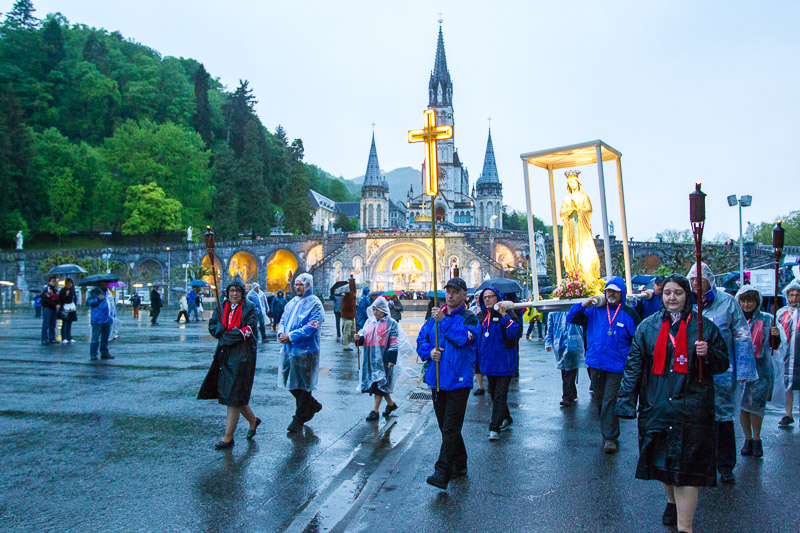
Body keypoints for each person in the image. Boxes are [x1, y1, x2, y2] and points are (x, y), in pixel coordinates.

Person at [616, 274, 729, 533]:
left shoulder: (703, 327)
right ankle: (671, 501)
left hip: (692, 408)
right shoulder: (648, 327)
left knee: (687, 468)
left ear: (687, 295)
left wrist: (708, 353)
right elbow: (634, 366)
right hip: (657, 405)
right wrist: (626, 402)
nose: (672, 297)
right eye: (667, 292)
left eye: (678, 292)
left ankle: (685, 527)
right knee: (663, 460)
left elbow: (723, 363)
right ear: (661, 295)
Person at [687, 262, 756, 484]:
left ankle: (725, 465)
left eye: (700, 279)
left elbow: (742, 335)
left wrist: (744, 369)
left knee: (722, 420)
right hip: (691, 371)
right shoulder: (686, 302)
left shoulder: (727, 303)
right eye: (692, 279)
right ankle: (701, 464)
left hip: (721, 371)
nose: (696, 283)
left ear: (710, 280)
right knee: (695, 419)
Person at [416, 277, 479, 490]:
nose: (450, 295)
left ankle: (442, 471)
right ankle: (460, 463)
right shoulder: (433, 317)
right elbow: (421, 341)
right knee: (446, 426)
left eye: (455, 292)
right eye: (448, 291)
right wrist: (429, 352)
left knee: (451, 427)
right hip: (437, 380)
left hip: (459, 380)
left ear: (464, 295)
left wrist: (443, 320)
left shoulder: (470, 318)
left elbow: (463, 339)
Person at [567, 276, 641, 454]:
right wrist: (585, 303)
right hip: (596, 363)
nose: (611, 294)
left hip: (617, 366)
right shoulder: (595, 310)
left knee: (609, 400)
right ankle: (609, 429)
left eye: (615, 292)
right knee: (600, 399)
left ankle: (610, 437)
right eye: (609, 291)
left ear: (622, 294)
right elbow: (571, 318)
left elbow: (639, 339)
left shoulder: (629, 314)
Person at [198, 276, 261, 449]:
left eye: (238, 291)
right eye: (232, 290)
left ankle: (228, 437)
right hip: (224, 354)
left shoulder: (250, 307)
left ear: (242, 293)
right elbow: (213, 325)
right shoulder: (221, 307)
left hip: (242, 356)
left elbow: (248, 330)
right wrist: (220, 331)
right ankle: (253, 421)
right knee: (234, 393)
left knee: (233, 396)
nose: (234, 294)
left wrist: (226, 336)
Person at [736, 286, 780, 457]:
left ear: (757, 302)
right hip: (740, 369)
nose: (746, 305)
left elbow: (774, 346)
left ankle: (756, 438)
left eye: (750, 301)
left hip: (761, 369)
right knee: (742, 406)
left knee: (756, 406)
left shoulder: (767, 319)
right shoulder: (736, 318)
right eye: (743, 301)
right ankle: (747, 439)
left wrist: (775, 335)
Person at [278, 274, 325, 433]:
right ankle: (312, 404)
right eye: (296, 284)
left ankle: (299, 418)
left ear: (308, 285)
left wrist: (291, 336)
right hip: (289, 349)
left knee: (304, 384)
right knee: (291, 382)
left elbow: (312, 327)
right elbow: (283, 320)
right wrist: (281, 334)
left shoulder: (315, 304)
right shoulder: (292, 303)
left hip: (306, 351)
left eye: (301, 285)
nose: (298, 287)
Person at [476, 287, 522, 440]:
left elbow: (515, 333)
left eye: (490, 296)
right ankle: (507, 418)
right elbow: (478, 339)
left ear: (497, 298)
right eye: (485, 297)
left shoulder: (508, 313)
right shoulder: (481, 316)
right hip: (489, 364)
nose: (487, 299)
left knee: (500, 395)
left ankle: (494, 427)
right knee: (495, 395)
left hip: (504, 364)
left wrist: (504, 316)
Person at [355, 297, 402, 420]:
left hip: (384, 358)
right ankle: (391, 404)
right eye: (374, 309)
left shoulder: (391, 323)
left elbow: (394, 342)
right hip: (370, 358)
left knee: (380, 382)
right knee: (378, 383)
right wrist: (358, 339)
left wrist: (392, 359)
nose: (375, 312)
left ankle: (375, 410)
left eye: (377, 310)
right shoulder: (370, 322)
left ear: (384, 310)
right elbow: (365, 338)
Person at [559, 170, 601, 284]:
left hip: (581, 227)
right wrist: (570, 210)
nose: (572, 185)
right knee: (572, 250)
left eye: (573, 182)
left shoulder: (584, 197)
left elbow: (589, 210)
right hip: (571, 228)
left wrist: (579, 210)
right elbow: (562, 213)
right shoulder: (566, 199)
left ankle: (586, 274)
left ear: (578, 183)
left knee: (584, 249)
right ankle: (574, 274)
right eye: (570, 183)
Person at [546, 311, 586, 406]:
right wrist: (548, 342)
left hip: (574, 342)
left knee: (570, 370)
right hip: (560, 343)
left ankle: (566, 396)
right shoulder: (554, 311)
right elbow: (550, 327)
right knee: (564, 369)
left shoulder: (575, 308)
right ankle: (571, 393)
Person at [776, 279, 800, 427]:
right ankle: (788, 414)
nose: (794, 298)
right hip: (786, 354)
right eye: (791, 294)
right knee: (787, 385)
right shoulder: (781, 313)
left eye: (797, 295)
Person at [88, 280, 115, 360]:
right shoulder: (94, 292)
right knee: (95, 337)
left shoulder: (108, 292)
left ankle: (104, 352)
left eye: (107, 283)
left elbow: (111, 305)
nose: (106, 284)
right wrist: (98, 299)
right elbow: (89, 303)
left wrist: (113, 316)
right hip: (97, 318)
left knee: (105, 337)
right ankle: (93, 353)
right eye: (104, 283)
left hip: (107, 318)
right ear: (100, 283)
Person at [40, 276, 60, 345]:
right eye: (53, 281)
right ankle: (44, 339)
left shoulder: (56, 290)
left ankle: (52, 338)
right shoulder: (46, 290)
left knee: (53, 325)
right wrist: (55, 305)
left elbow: (58, 298)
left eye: (55, 281)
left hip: (54, 309)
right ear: (49, 282)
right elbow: (46, 299)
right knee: (46, 324)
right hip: (47, 308)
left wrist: (58, 304)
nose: (54, 283)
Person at [59, 278, 78, 343]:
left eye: (70, 283)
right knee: (65, 323)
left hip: (71, 308)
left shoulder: (72, 290)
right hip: (65, 309)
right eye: (68, 283)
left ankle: (69, 337)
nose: (69, 284)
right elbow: (61, 299)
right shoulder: (63, 290)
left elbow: (74, 299)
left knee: (69, 323)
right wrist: (66, 295)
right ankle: (64, 337)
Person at [340, 279, 358, 351]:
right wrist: (352, 307)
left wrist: (354, 306)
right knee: (347, 332)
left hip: (351, 317)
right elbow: (344, 307)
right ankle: (345, 345)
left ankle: (347, 341)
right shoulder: (346, 298)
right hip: (347, 317)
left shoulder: (352, 298)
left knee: (353, 331)